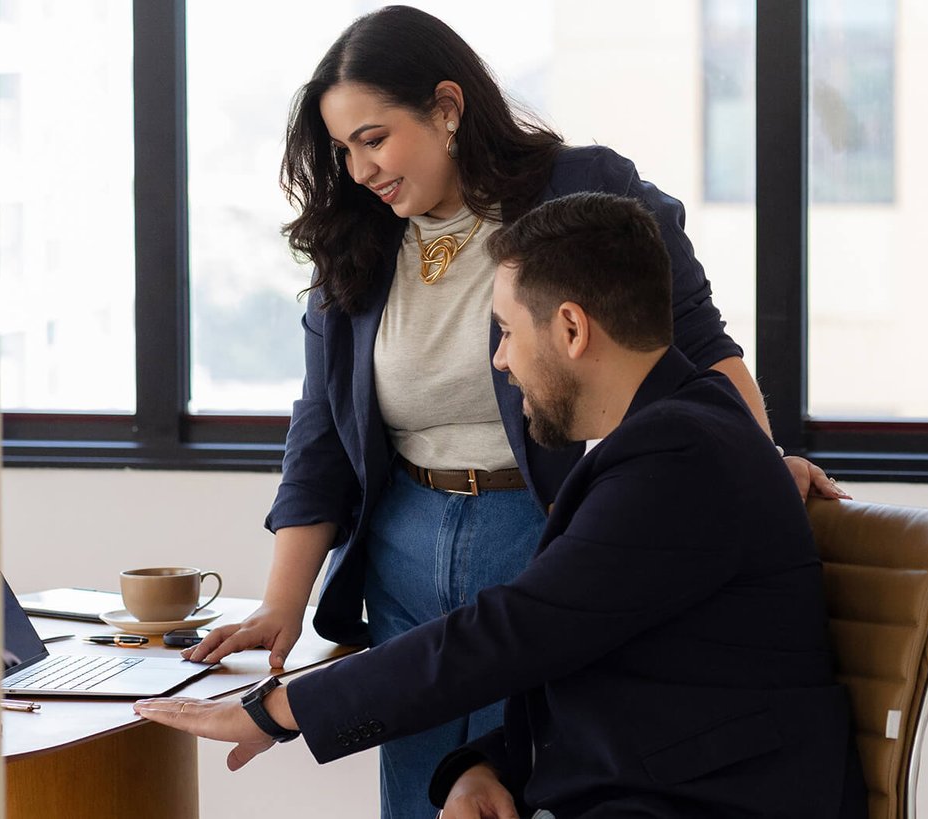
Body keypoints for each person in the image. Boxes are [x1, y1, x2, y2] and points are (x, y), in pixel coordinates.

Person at [189, 6, 847, 817]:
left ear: (447, 107)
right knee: (455, 777)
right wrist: (283, 605)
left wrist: (751, 460)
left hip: (537, 517)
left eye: (373, 138)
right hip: (405, 536)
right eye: (341, 151)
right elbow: (320, 428)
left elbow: (690, 338)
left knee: (532, 718)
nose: (358, 170)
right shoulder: (358, 238)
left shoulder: (582, 197)